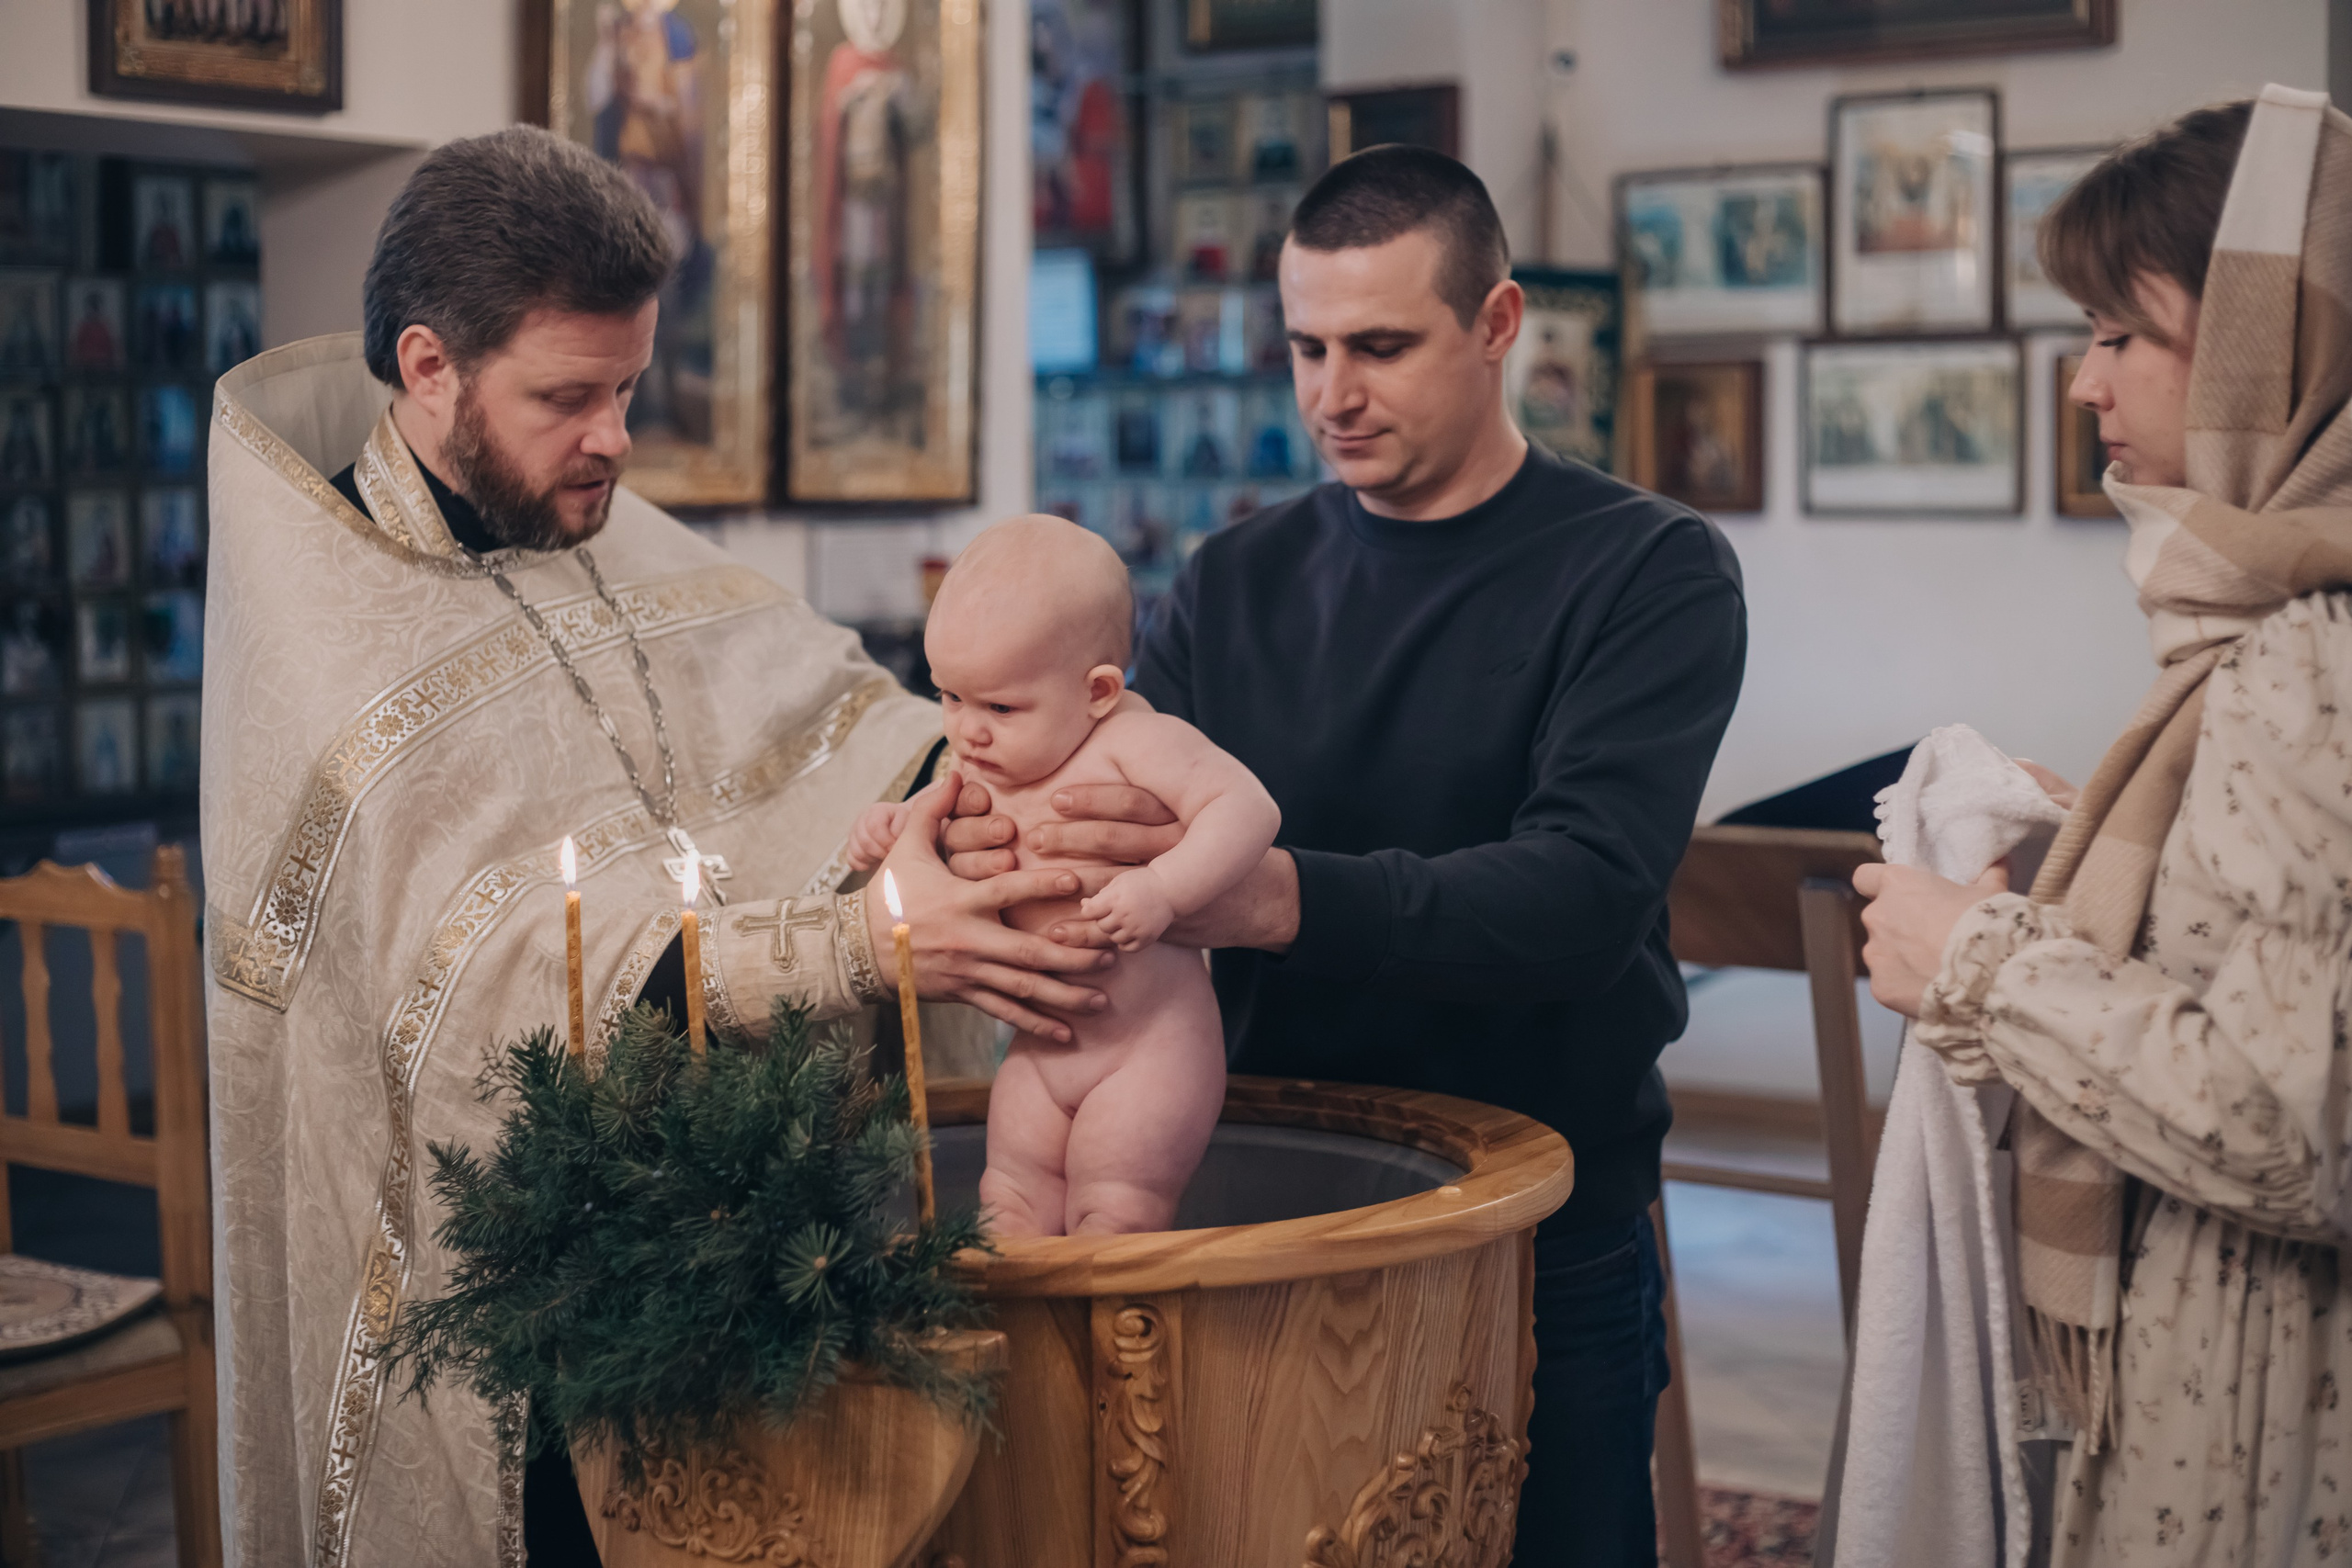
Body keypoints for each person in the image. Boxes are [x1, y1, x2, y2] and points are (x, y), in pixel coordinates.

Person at [203, 126, 1114, 1568]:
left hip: (747, 1240)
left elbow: (824, 713)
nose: (615, 438)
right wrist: (860, 942)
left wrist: (996, 786)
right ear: (429, 366)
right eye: (568, 396)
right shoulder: (334, 644)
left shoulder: (591, 524)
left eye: (627, 387)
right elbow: (479, 990)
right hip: (529, 1312)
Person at [942, 145, 1747, 1565]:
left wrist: (1269, 893)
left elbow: (1581, 898)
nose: (1330, 394)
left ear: (1498, 323)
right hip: (1254, 1181)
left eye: (1380, 346)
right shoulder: (1231, 577)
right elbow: (1096, 822)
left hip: (1534, 1207)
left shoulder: (1648, 568)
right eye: (1306, 346)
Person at [1850, 87, 2352, 1565]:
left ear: (2268, 355)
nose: (2085, 383)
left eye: (2121, 334)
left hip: (2266, 1380)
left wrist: (1981, 958)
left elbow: (2297, 1129)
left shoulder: (2306, 658)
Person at [851, 515, 1280, 1237]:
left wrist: (1165, 887)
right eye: (949, 696)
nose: (967, 730)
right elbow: (927, 822)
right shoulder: (980, 760)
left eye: (1000, 706)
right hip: (1039, 1051)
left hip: (1148, 1048)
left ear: (1098, 691)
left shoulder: (1133, 741)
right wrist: (890, 824)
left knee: (1114, 1211)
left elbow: (1247, 807)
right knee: (1006, 1206)